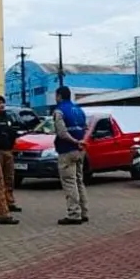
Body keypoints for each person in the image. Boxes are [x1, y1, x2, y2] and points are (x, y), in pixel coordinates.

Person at [52, 86, 88, 225]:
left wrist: (74, 141)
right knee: (79, 180)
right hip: (80, 150)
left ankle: (74, 214)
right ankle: (84, 211)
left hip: (67, 150)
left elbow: (62, 133)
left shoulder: (59, 111)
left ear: (59, 96)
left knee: (69, 182)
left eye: (56, 95)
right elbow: (85, 128)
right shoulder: (79, 110)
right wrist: (81, 142)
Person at [0, 95, 21, 212]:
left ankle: (10, 202)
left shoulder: (8, 117)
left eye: (2, 103)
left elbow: (13, 132)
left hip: (8, 150)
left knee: (9, 178)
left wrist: (12, 143)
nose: (1, 105)